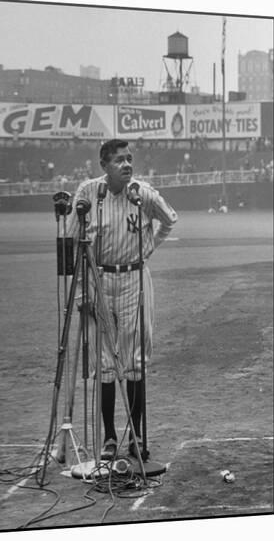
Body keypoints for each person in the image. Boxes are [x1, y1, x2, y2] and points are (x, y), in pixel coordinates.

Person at [67, 139, 177, 460]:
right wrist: (84, 289)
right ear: (104, 166)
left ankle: (137, 436)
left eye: (129, 159)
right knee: (103, 362)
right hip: (99, 279)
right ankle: (110, 439)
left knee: (135, 360)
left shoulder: (143, 194)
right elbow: (75, 241)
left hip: (134, 279)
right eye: (118, 160)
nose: (126, 165)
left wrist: (150, 248)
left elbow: (170, 219)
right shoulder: (88, 193)